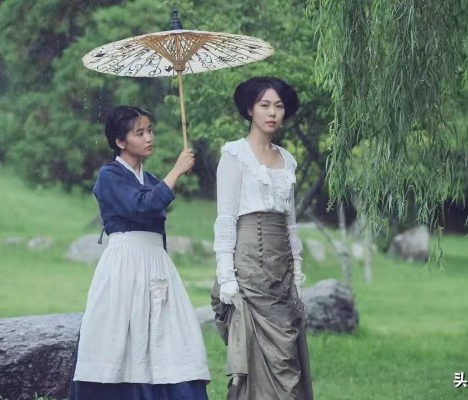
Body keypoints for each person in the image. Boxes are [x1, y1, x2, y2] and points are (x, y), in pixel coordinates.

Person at [69, 105, 210, 400]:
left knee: (168, 337)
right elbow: (141, 206)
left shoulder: (152, 179)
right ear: (120, 141)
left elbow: (155, 213)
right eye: (140, 133)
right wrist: (176, 171)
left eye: (150, 131)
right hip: (124, 264)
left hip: (156, 264)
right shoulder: (109, 175)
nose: (149, 138)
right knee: (119, 338)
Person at [211, 77, 314, 399]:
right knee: (256, 353)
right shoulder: (234, 155)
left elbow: (290, 224)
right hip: (248, 267)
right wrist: (226, 277)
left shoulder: (287, 159)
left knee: (287, 354)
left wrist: (297, 272)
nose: (272, 113)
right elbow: (225, 219)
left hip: (281, 268)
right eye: (264, 105)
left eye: (278, 106)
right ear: (249, 110)